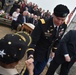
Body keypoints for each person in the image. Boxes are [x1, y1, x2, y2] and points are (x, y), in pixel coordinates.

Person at [21, 4, 70, 75]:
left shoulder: (64, 25)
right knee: (28, 72)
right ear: (53, 15)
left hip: (46, 54)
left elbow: (58, 39)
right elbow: (32, 41)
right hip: (36, 53)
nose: (60, 22)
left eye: (62, 20)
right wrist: (30, 55)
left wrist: (53, 51)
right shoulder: (43, 23)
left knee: (38, 72)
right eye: (58, 19)